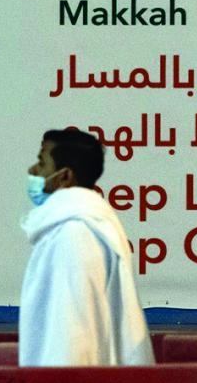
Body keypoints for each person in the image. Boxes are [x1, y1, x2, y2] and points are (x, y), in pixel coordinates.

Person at [20, 128, 154, 366]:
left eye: (42, 163)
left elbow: (73, 333)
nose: (33, 170)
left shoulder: (74, 235)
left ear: (64, 176)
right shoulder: (81, 224)